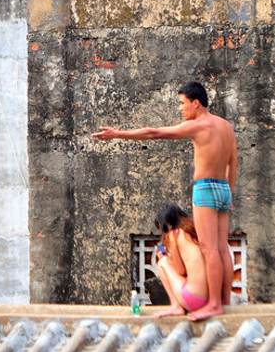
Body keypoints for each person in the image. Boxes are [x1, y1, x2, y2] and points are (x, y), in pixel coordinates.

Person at [92, 81, 237, 321]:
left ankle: (214, 304)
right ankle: (224, 300)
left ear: (196, 103)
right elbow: (233, 163)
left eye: (182, 103)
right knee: (222, 247)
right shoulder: (226, 126)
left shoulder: (197, 125)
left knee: (209, 249)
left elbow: (155, 133)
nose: (180, 108)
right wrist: (229, 193)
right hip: (223, 188)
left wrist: (118, 134)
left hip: (205, 189)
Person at [152, 203, 228, 317]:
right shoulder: (193, 229)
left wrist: (165, 257)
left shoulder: (174, 234)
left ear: (167, 225)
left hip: (194, 300)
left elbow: (181, 270)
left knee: (163, 263)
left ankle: (176, 306)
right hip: (212, 297)